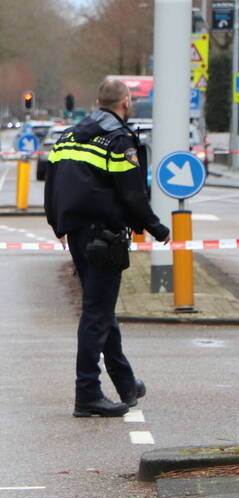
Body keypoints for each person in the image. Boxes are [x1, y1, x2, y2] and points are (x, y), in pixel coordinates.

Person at [44, 78, 170, 418]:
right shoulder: (118, 138)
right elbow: (131, 192)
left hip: (76, 233)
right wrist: (156, 227)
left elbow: (52, 181)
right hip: (106, 236)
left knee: (101, 308)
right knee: (96, 316)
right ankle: (87, 394)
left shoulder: (68, 135)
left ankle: (126, 383)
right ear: (126, 102)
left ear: (98, 101)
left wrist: (57, 224)